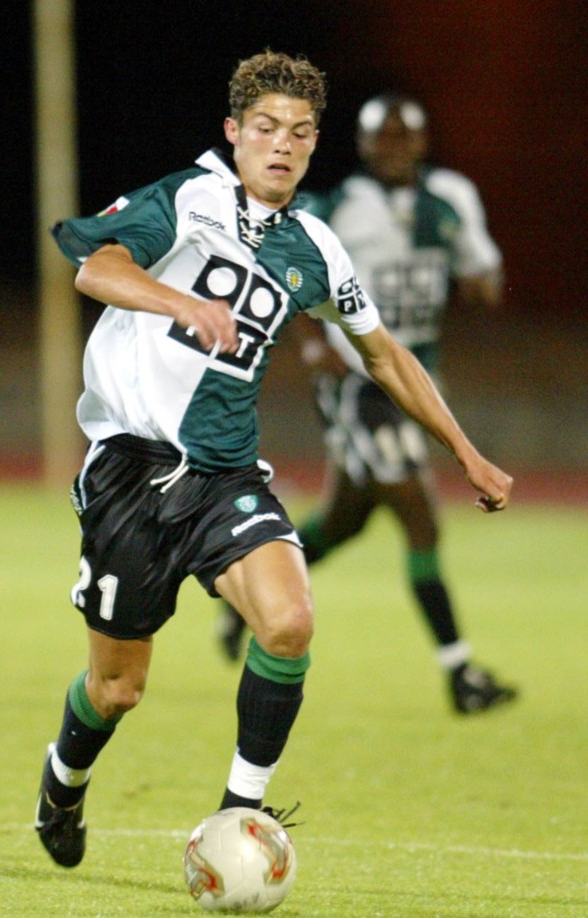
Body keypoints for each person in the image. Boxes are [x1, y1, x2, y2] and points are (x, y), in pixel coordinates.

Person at [35, 55, 513, 869]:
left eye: (297, 133)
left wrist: (464, 451)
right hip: (130, 470)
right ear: (233, 133)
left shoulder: (316, 246)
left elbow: (385, 356)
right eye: (264, 129)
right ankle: (62, 784)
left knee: (289, 623)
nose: (280, 146)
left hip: (225, 475)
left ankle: (239, 819)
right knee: (117, 689)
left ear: (314, 142)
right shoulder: (190, 197)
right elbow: (96, 267)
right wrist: (183, 300)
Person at [216, 93, 517, 715]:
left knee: (349, 518)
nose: (394, 148)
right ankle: (460, 673)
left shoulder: (452, 198)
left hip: (420, 379)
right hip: (358, 385)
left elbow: (482, 269)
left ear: (423, 142)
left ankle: (245, 600)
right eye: (383, 138)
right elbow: (281, 271)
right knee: (419, 517)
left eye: (405, 137)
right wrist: (311, 343)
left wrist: (484, 280)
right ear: (362, 145)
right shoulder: (337, 207)